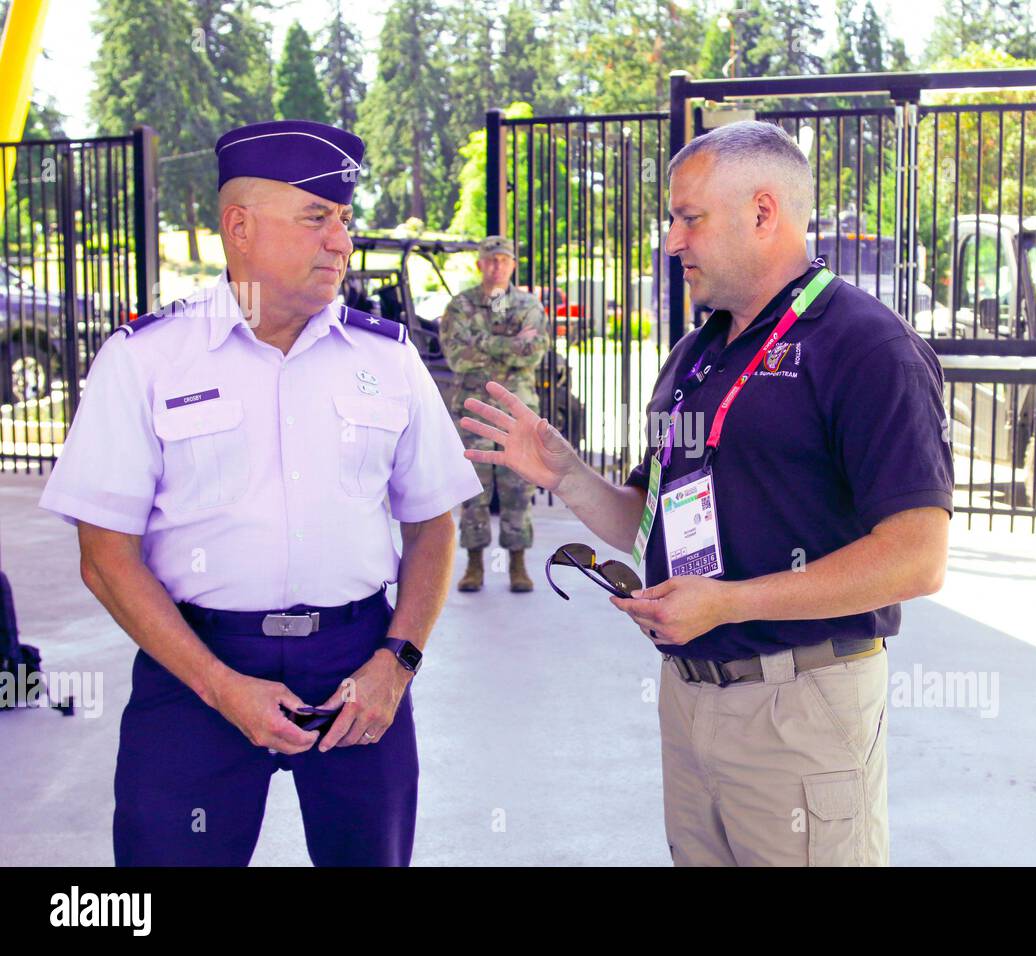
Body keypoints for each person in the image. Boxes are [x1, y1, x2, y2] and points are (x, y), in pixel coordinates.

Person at [459, 120, 954, 866]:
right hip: (689, 696)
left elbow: (917, 559)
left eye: (689, 218)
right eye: (671, 219)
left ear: (763, 212)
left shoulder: (864, 346)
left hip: (801, 703)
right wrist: (566, 474)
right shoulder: (695, 355)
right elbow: (645, 518)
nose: (671, 240)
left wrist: (729, 601)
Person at [37, 119, 482, 866]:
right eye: (317, 218)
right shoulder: (146, 359)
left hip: (358, 669)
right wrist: (218, 687)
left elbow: (433, 523)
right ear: (238, 228)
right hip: (195, 664)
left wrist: (396, 662)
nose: (341, 240)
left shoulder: (387, 357)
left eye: (343, 219)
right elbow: (105, 556)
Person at [440, 236, 549, 593]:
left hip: (517, 414)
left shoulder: (529, 305)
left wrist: (481, 342)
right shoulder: (460, 305)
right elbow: (457, 357)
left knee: (518, 488)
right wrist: (509, 344)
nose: (497, 266)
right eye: (490, 260)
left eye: (504, 260)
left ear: (513, 265)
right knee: (474, 491)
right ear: (479, 265)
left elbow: (532, 353)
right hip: (474, 413)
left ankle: (517, 564)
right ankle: (474, 565)